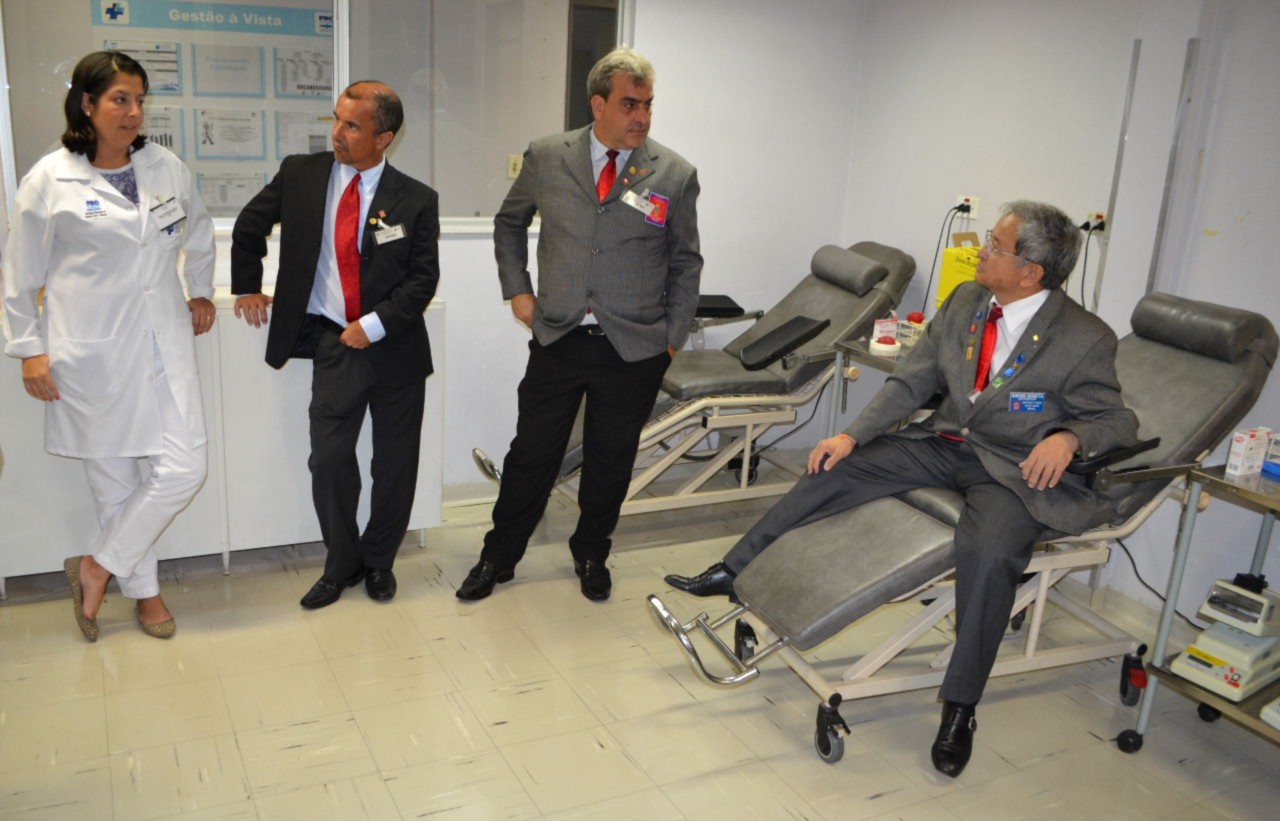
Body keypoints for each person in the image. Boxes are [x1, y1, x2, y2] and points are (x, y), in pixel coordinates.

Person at [665, 201, 1139, 777]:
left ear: (1031, 272)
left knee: (990, 555)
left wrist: (1068, 437)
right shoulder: (966, 301)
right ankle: (734, 570)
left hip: (1011, 470)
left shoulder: (1085, 337)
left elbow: (1117, 421)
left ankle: (960, 707)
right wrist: (850, 435)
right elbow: (913, 380)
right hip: (944, 444)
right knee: (832, 468)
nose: (982, 251)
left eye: (995, 245)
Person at [456, 48, 703, 603]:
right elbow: (509, 223)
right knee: (532, 454)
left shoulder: (674, 173)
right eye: (629, 104)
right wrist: (518, 290)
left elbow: (686, 261)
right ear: (598, 104)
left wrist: (672, 338)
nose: (642, 116)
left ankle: (592, 553)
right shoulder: (548, 156)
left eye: (648, 105)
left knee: (611, 460)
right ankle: (498, 556)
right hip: (559, 335)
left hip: (634, 345)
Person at [2, 51, 216, 641]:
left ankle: (96, 567)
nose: (134, 112)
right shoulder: (50, 179)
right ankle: (146, 595)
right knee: (115, 482)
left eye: (140, 99)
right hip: (89, 348)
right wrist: (29, 349)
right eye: (120, 99)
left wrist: (201, 289)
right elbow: (19, 272)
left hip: (164, 340)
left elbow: (197, 228)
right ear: (87, 104)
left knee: (185, 467)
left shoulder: (165, 166)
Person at [230, 81, 439, 610]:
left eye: (351, 125)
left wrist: (374, 324)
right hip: (333, 343)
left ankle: (379, 561)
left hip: (395, 348)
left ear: (384, 138)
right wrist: (247, 285)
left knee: (395, 464)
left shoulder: (416, 199)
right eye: (336, 120)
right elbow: (250, 224)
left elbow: (422, 280)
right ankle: (342, 562)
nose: (337, 133)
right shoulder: (303, 174)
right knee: (328, 460)